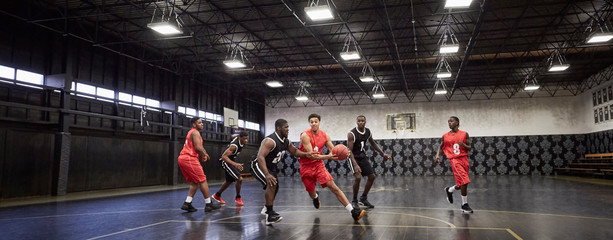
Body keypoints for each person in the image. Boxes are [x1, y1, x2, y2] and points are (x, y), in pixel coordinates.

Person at [298, 113, 366, 222]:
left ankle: (353, 212)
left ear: (319, 122)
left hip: (319, 165)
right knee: (311, 192)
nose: (314, 124)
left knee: (334, 188)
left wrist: (341, 155)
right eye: (311, 122)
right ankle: (315, 197)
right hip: (306, 167)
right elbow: (311, 155)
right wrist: (328, 156)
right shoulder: (305, 135)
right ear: (309, 123)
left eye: (316, 121)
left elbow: (333, 151)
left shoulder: (325, 136)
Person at [251, 119, 313, 225]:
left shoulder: (286, 141)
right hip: (258, 165)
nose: (288, 129)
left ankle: (267, 208)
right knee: (271, 184)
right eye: (285, 127)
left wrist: (307, 154)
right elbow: (260, 157)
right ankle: (269, 215)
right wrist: (267, 174)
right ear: (278, 128)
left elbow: (294, 151)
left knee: (276, 186)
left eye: (288, 127)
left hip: (271, 166)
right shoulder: (270, 141)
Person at [347, 115, 392, 208]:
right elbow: (349, 151)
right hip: (352, 157)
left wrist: (383, 154)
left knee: (372, 177)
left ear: (365, 122)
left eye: (362, 121)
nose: (360, 122)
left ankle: (363, 198)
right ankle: (354, 200)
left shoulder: (367, 131)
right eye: (359, 121)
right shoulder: (352, 134)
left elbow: (373, 143)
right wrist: (355, 165)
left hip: (362, 157)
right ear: (357, 122)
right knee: (358, 178)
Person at [179, 117, 221, 213]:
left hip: (183, 159)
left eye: (202, 122)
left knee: (196, 181)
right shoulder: (195, 132)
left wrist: (203, 154)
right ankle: (208, 204)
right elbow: (198, 148)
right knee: (203, 180)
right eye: (199, 122)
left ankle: (187, 203)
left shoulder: (192, 132)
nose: (202, 124)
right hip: (189, 158)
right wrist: (205, 154)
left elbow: (199, 147)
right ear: (194, 124)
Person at [435, 116, 474, 213]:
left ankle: (450, 190)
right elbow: (441, 146)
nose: (449, 123)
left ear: (457, 123)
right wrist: (437, 156)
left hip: (464, 159)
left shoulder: (464, 134)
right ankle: (464, 205)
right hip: (454, 160)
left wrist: (464, 145)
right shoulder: (445, 136)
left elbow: (469, 147)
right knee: (465, 181)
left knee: (462, 183)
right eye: (448, 121)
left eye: (451, 121)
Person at [212, 131, 249, 206]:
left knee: (229, 181)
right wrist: (235, 164)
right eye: (244, 139)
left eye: (247, 139)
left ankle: (217, 195)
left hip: (231, 160)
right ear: (240, 138)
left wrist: (234, 134)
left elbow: (234, 136)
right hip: (225, 161)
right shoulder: (234, 146)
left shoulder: (241, 140)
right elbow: (224, 156)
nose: (246, 140)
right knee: (239, 179)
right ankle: (238, 197)